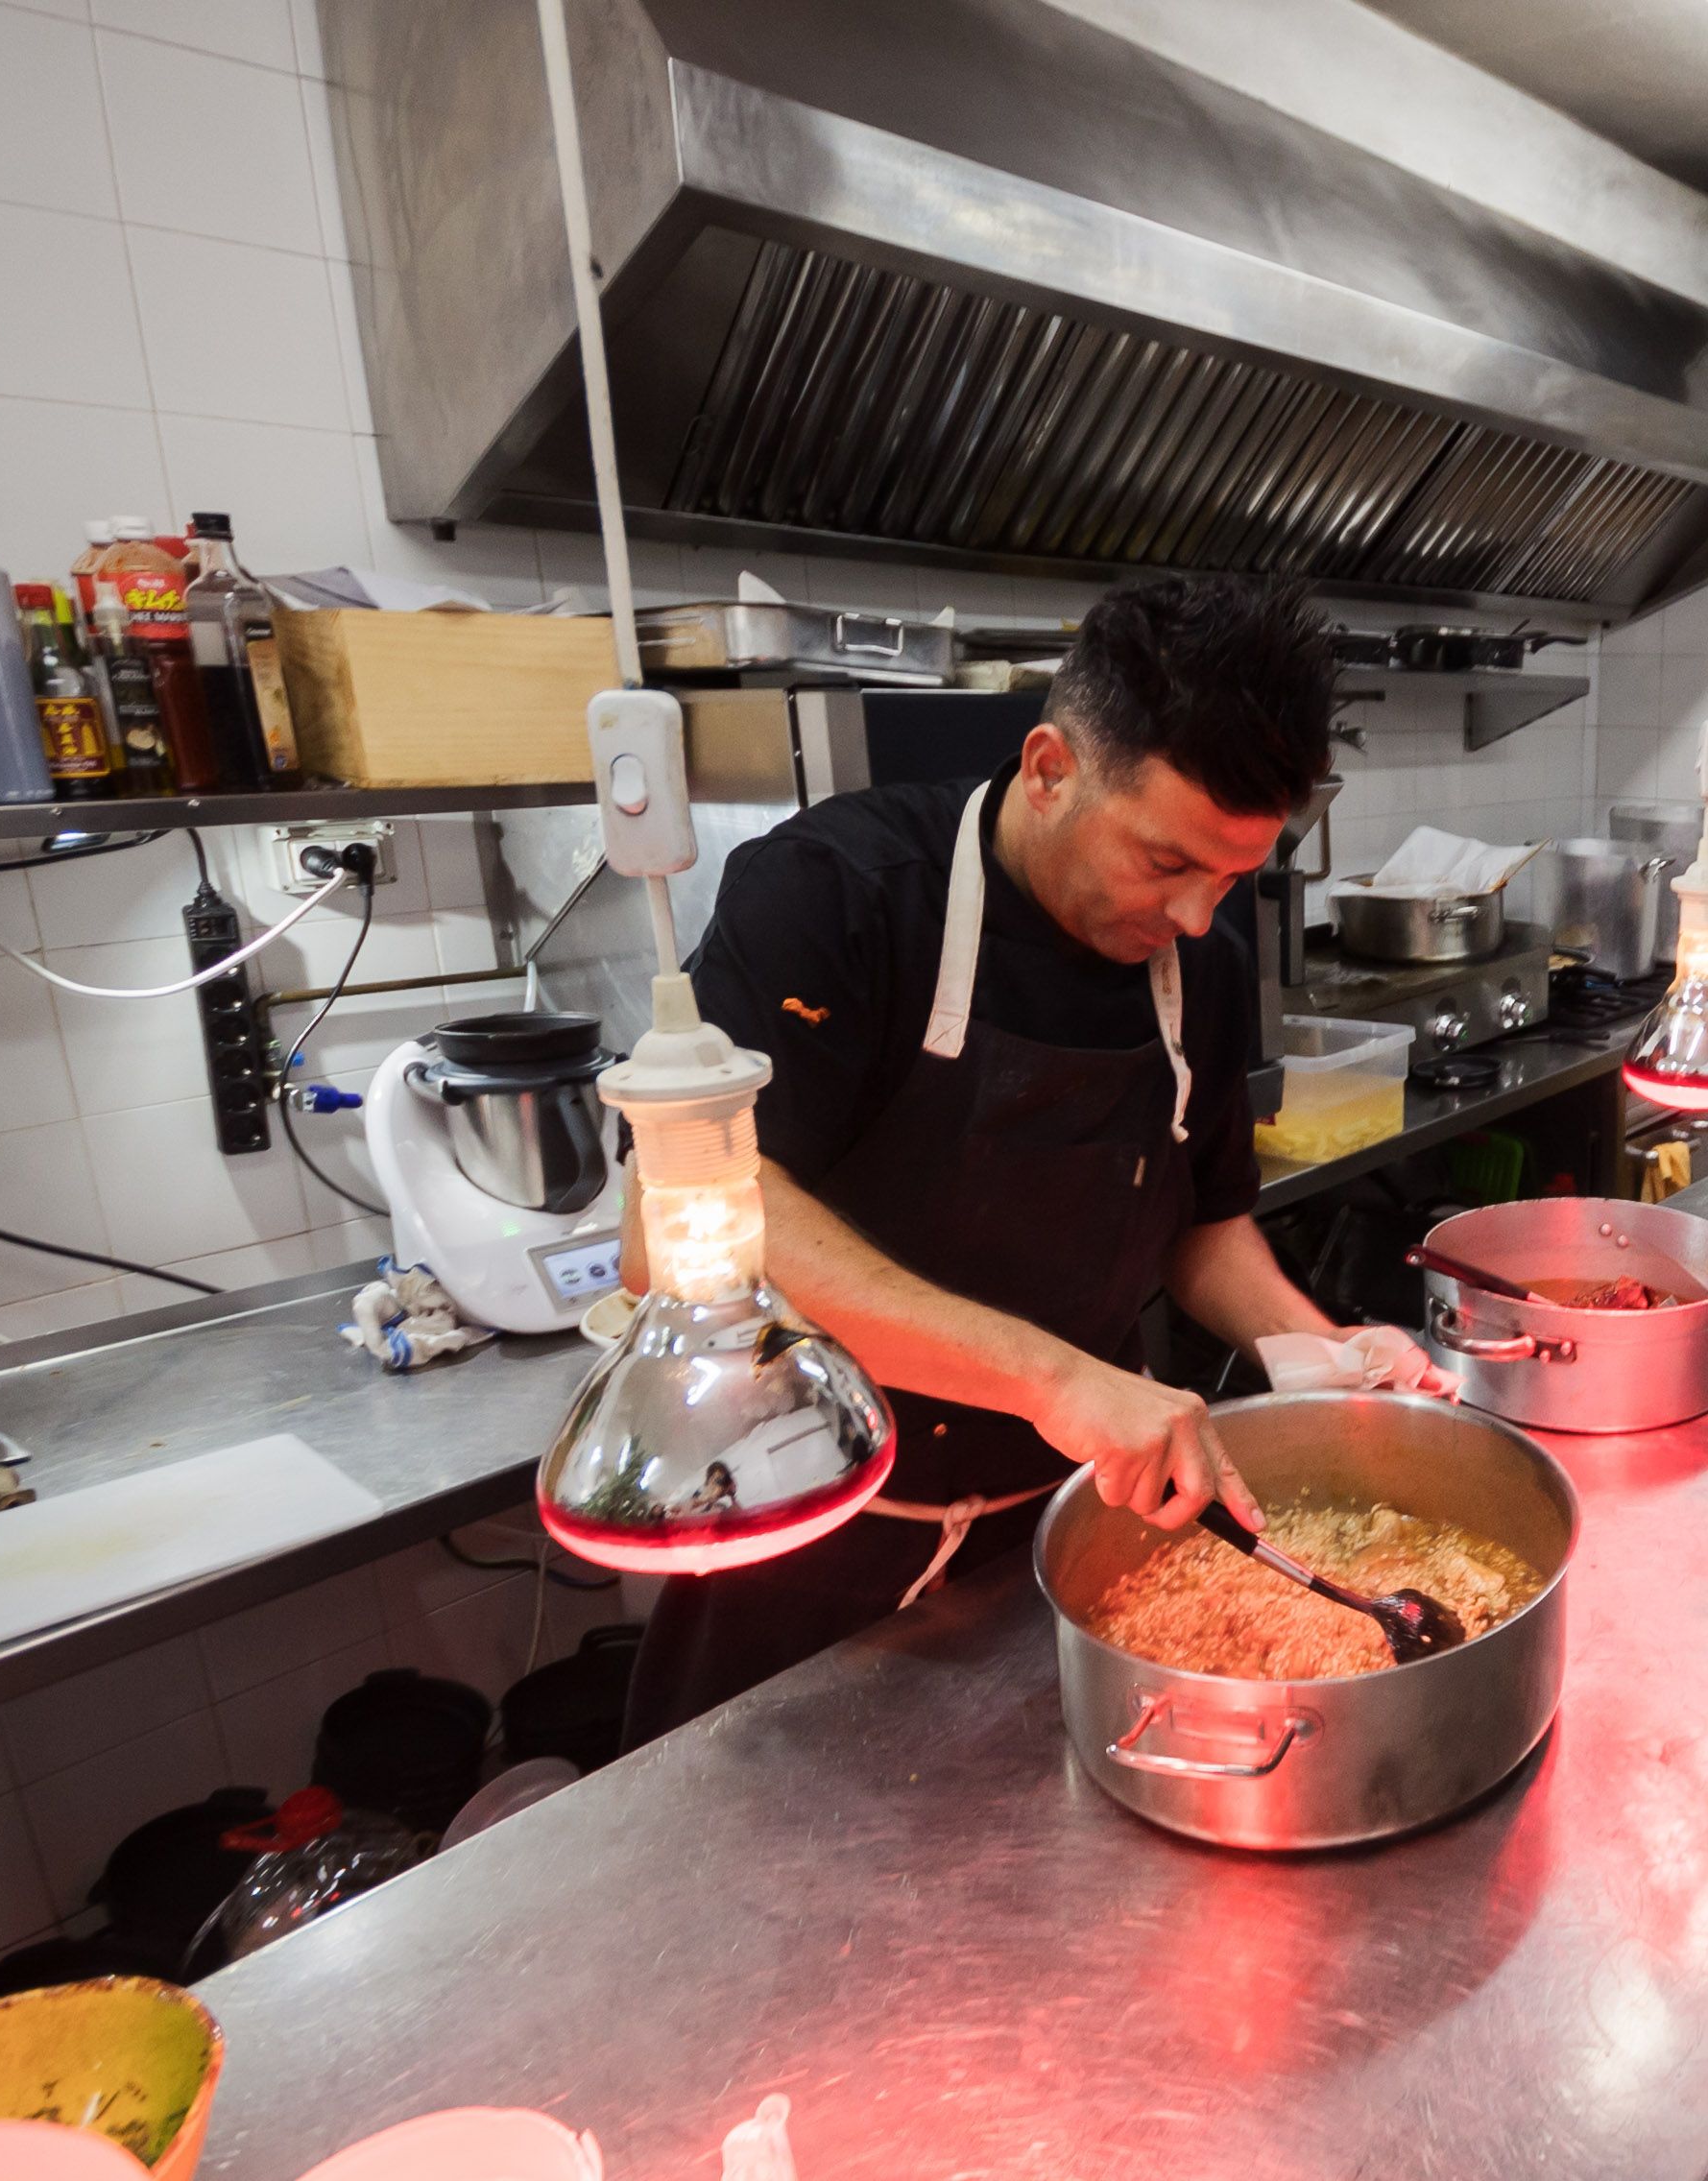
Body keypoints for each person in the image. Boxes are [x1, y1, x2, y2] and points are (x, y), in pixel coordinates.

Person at [620, 573, 1450, 1745]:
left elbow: (1198, 1221)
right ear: (1051, 767)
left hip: (1064, 1554)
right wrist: (1055, 1377)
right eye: (1168, 864)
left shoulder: (1195, 961)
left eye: (1236, 874)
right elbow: (672, 1228)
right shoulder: (838, 895)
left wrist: (1310, 1348)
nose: (1204, 916)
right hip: (802, 1540)